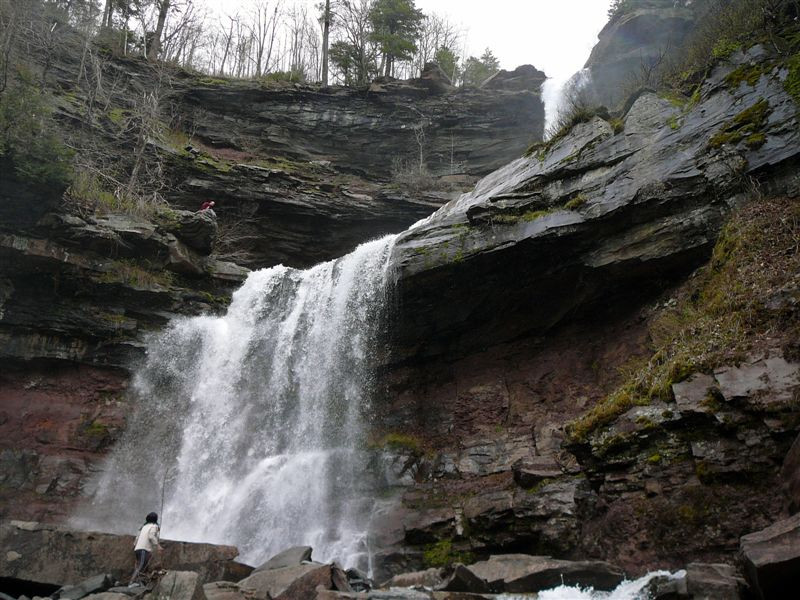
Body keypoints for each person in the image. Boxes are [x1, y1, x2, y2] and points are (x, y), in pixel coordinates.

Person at [129, 512, 163, 586]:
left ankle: (139, 582)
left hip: (138, 549)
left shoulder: (143, 527)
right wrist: (158, 546)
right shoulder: (154, 526)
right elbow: (151, 536)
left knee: (143, 566)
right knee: (141, 566)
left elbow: (137, 538)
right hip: (144, 549)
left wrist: (134, 546)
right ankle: (131, 582)